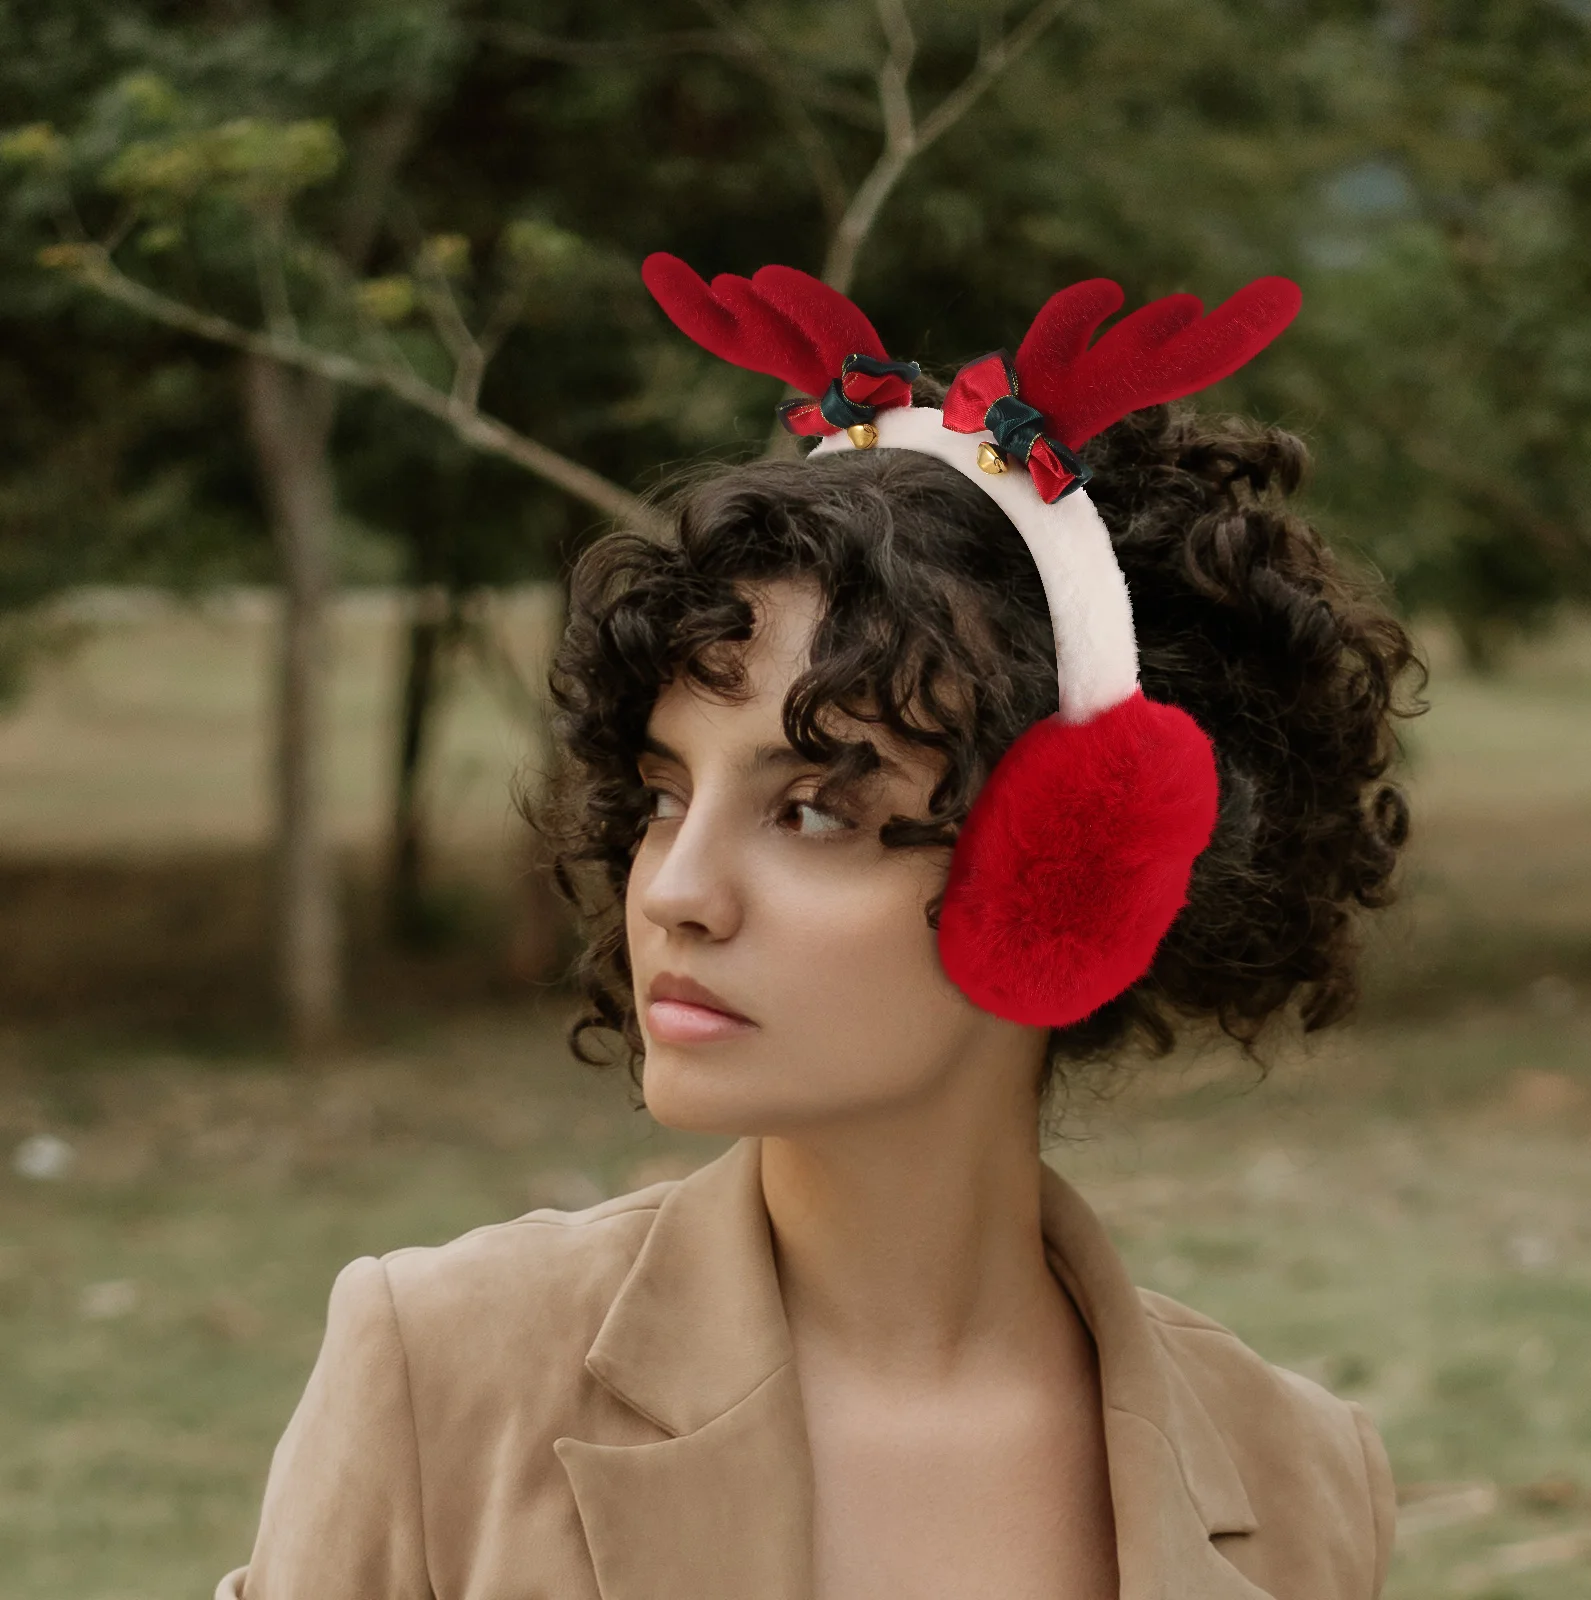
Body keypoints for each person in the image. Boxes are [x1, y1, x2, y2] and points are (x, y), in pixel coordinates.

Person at [217, 259, 1421, 1600]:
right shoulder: (438, 1374)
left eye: (810, 810)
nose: (676, 890)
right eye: (666, 794)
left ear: (1070, 875)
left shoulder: (1306, 1485)